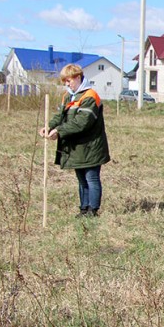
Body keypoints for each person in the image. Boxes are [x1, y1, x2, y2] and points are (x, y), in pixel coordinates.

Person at [40, 64, 110, 217]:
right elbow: (60, 117)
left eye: (68, 80)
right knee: (81, 179)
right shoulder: (68, 96)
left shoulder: (90, 96)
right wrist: (49, 126)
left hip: (91, 146)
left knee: (91, 178)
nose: (66, 84)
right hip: (76, 147)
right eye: (64, 81)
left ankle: (93, 210)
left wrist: (59, 131)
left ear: (78, 77)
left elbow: (82, 122)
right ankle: (84, 209)